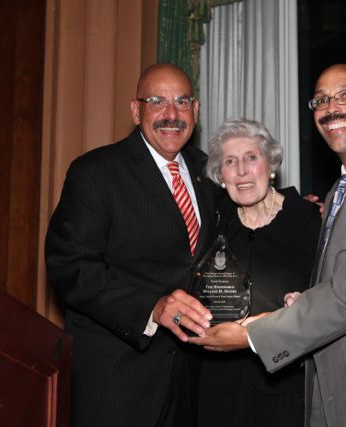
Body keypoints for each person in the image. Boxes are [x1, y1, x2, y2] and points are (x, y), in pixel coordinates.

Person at [190, 64, 346, 427]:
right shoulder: (341, 188)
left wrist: (252, 335)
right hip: (334, 384)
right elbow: (344, 282)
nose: (332, 108)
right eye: (321, 100)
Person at [45, 63, 217, 427]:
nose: (171, 115)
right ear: (136, 110)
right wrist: (152, 308)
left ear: (196, 111)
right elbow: (71, 266)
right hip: (116, 381)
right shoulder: (96, 172)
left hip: (192, 382)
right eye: (157, 101)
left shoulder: (210, 172)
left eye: (182, 102)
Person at [197, 118, 320, 426]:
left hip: (287, 387)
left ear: (271, 165)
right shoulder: (211, 223)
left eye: (251, 157)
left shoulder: (310, 220)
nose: (241, 171)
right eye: (230, 162)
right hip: (218, 390)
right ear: (220, 175)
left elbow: (332, 299)